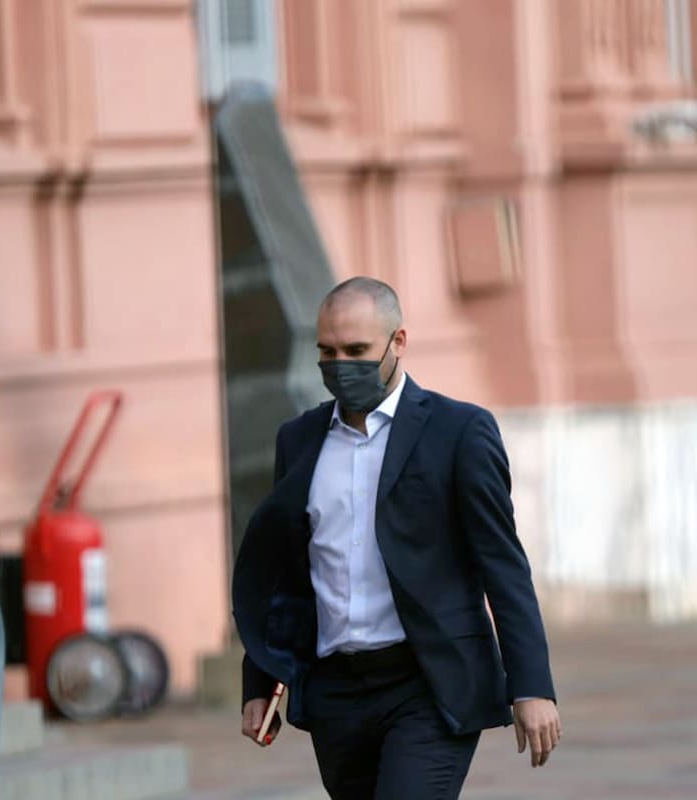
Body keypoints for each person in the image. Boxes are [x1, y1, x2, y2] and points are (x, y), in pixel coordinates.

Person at [232, 277, 560, 799]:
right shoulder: (297, 441)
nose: (341, 365)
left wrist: (532, 685)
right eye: (328, 352)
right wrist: (263, 678)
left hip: (428, 683)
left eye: (357, 350)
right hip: (336, 691)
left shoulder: (459, 432)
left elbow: (502, 563)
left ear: (398, 342)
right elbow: (286, 573)